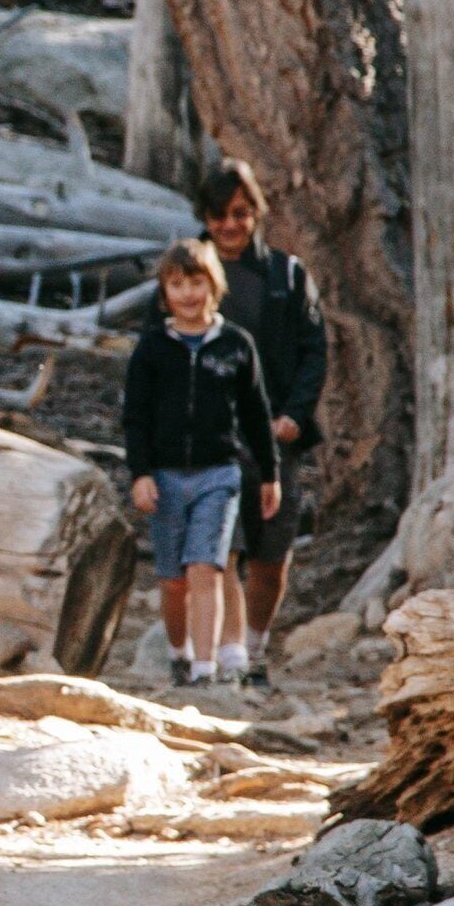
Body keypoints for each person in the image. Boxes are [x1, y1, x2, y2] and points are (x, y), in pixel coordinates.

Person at [121, 237, 279, 686]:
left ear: (215, 286)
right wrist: (141, 474)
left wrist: (269, 474)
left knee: (206, 566)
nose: (188, 293)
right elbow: (135, 416)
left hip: (219, 474)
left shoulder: (235, 345)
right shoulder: (153, 348)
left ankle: (205, 671)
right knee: (173, 581)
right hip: (167, 477)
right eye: (177, 284)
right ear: (164, 293)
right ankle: (177, 651)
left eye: (197, 282)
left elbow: (256, 413)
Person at [199, 164, 329, 689]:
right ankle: (229, 659)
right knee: (222, 548)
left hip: (275, 440)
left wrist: (295, 415)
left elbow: (313, 351)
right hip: (210, 440)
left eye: (240, 213)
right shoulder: (188, 273)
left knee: (271, 554)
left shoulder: (288, 276)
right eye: (217, 215)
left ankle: (255, 647)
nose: (229, 225)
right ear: (203, 217)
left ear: (256, 213)